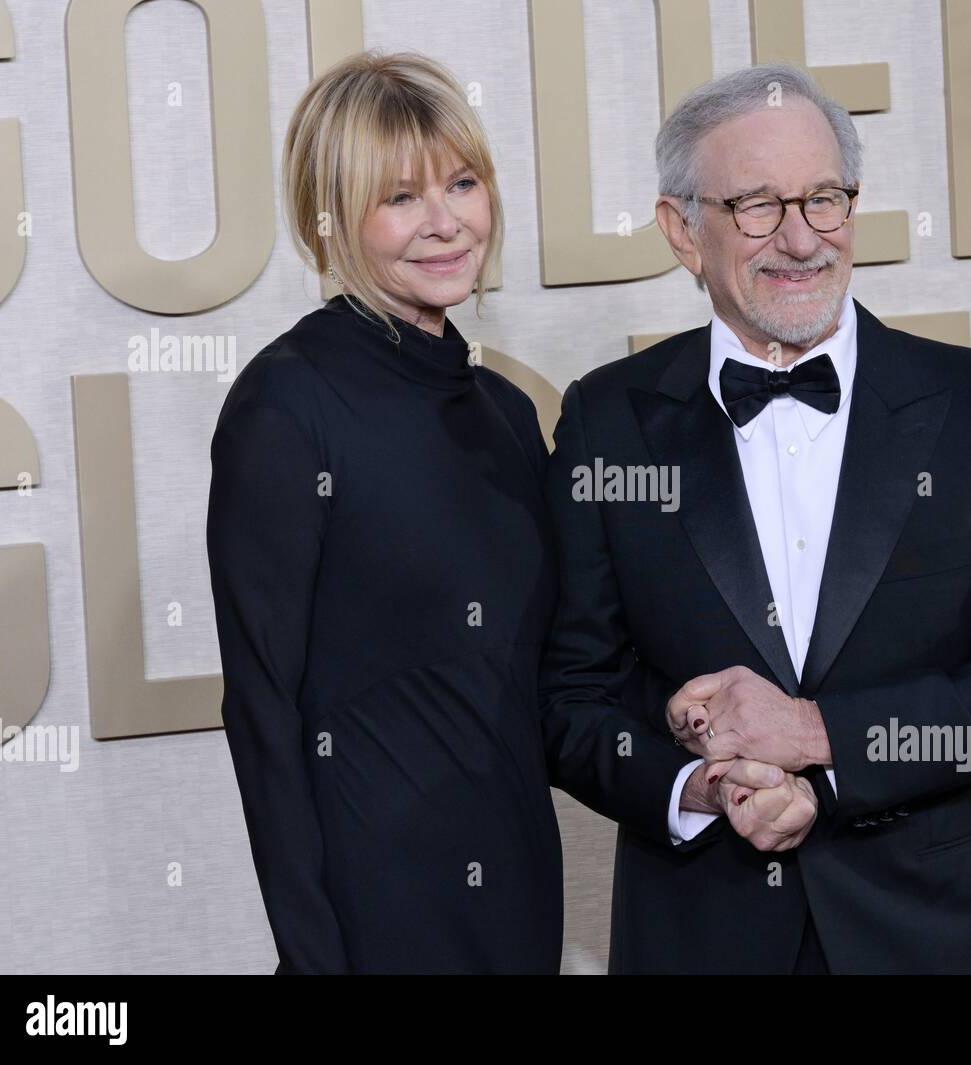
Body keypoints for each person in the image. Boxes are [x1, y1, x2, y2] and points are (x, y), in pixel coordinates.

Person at [538, 62, 971, 974]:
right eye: (757, 206)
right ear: (684, 231)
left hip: (935, 936)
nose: (801, 239)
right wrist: (704, 783)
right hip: (701, 932)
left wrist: (817, 737)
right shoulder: (607, 419)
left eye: (825, 199)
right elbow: (572, 696)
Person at [206, 51, 563, 973]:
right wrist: (315, 955)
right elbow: (263, 708)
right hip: (377, 912)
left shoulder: (508, 416)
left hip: (520, 888)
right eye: (400, 197)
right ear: (330, 219)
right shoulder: (286, 406)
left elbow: (548, 674)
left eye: (462, 181)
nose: (446, 223)